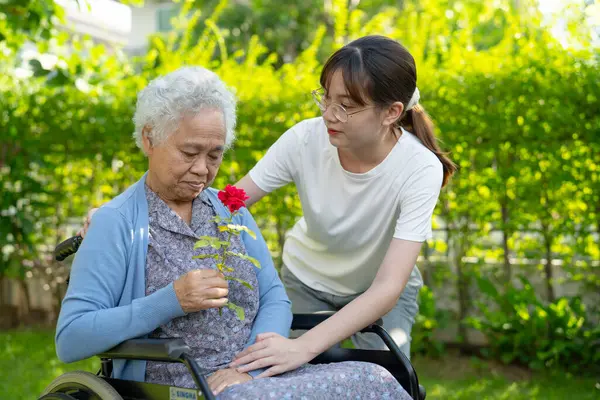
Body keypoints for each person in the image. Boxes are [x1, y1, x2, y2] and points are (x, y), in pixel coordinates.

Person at [58, 66, 411, 399]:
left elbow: (274, 297)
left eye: (215, 155)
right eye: (189, 152)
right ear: (149, 139)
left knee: (376, 379)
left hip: (257, 377)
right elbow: (71, 338)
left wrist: (250, 370)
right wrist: (171, 300)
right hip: (186, 384)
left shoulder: (228, 210)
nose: (203, 170)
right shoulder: (116, 222)